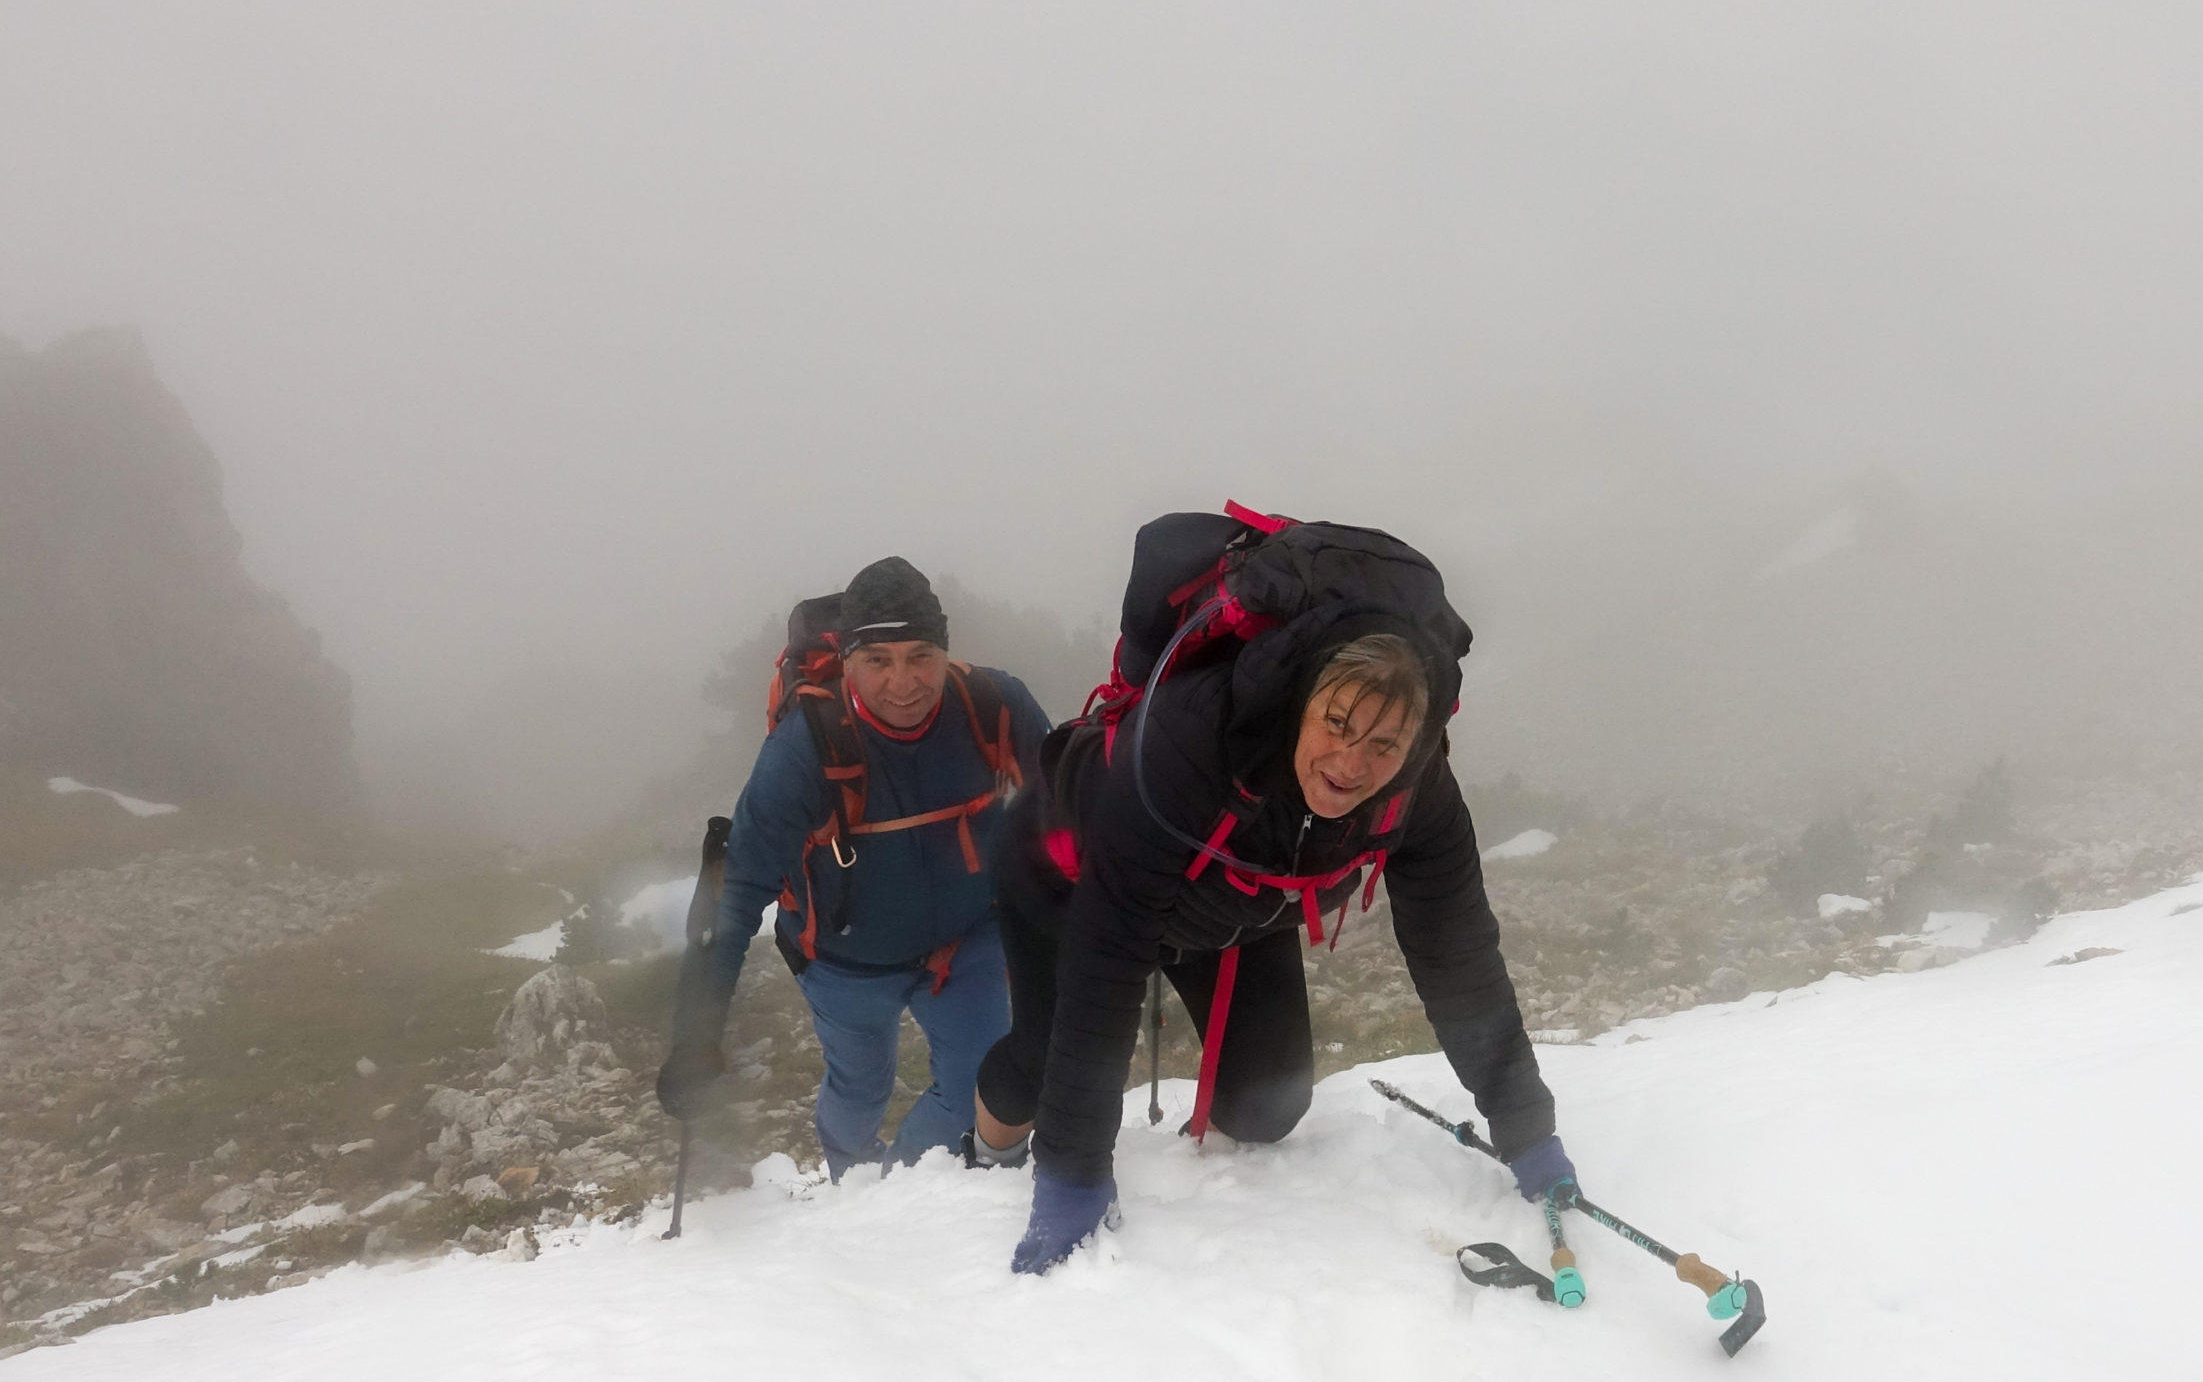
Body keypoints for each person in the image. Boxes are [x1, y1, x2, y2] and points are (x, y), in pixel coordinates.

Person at [969, 545, 1572, 1272]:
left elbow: (1459, 957)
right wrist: (1071, 1176)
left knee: (1267, 1109)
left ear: (1418, 741)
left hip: (1232, 903)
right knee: (1042, 1055)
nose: (1352, 766)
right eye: (1339, 725)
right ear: (1301, 699)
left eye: (1384, 744)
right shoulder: (1195, 745)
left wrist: (1526, 1128)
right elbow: (1107, 964)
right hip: (1070, 876)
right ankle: (984, 1154)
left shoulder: (1418, 794)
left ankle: (1166, 1155)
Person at [657, 557, 1049, 1175]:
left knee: (978, 1091)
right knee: (862, 1088)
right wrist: (696, 1036)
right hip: (845, 962)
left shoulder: (994, 706)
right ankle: (850, 1173)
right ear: (847, 663)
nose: (904, 682)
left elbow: (1061, 814)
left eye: (921, 655)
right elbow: (736, 896)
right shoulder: (802, 750)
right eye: (878, 660)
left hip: (966, 943)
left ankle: (897, 1190)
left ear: (946, 652)